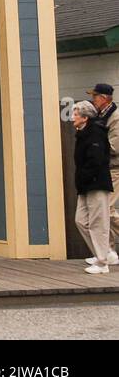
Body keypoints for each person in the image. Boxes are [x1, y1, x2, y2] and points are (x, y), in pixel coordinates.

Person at [71, 101, 114, 273]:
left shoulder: (95, 133)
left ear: (84, 117)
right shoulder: (82, 133)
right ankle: (103, 253)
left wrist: (86, 177)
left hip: (96, 183)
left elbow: (96, 160)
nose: (72, 117)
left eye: (75, 114)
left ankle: (103, 263)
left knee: (98, 222)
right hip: (85, 185)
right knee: (80, 220)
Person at [87, 83, 119, 251]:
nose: (93, 100)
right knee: (104, 210)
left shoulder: (115, 117)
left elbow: (116, 147)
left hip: (115, 169)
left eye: (95, 97)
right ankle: (108, 251)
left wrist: (96, 148)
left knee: (107, 209)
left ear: (104, 99)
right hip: (105, 169)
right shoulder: (100, 116)